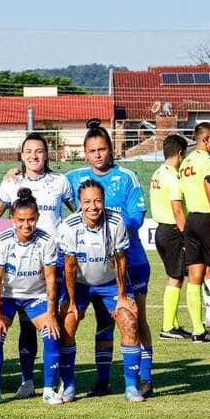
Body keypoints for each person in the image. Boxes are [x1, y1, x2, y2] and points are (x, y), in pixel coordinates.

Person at [66, 120, 153, 397]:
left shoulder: (127, 177)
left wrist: (109, 229)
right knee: (103, 322)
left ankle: (145, 378)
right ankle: (102, 381)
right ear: (85, 152)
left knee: (136, 318)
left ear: (110, 149)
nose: (98, 155)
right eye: (92, 150)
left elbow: (136, 217)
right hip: (89, 266)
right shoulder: (73, 177)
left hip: (129, 260)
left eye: (102, 149)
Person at [0, 133, 74, 399]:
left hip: (54, 261)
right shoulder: (10, 183)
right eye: (28, 151)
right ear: (21, 154)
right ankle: (27, 381)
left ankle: (62, 380)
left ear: (47, 154)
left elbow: (76, 213)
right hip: (20, 265)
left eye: (39, 151)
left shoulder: (60, 182)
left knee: (56, 323)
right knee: (26, 327)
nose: (33, 156)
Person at [57, 180, 144, 403]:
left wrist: (123, 295)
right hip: (80, 284)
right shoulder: (69, 225)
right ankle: (68, 386)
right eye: (87, 202)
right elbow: (69, 265)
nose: (93, 206)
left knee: (129, 321)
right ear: (79, 203)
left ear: (104, 201)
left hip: (110, 283)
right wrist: (72, 302)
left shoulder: (116, 222)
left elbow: (121, 260)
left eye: (97, 201)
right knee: (67, 324)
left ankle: (132, 387)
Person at [0, 188, 62, 406]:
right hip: (7, 297)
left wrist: (50, 314)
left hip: (35, 296)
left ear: (37, 218)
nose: (26, 225)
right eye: (21, 220)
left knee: (51, 333)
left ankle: (48, 390)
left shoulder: (46, 241)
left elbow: (50, 279)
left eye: (31, 220)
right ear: (12, 218)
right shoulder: (2, 241)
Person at [177, 121, 210, 343]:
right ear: (206, 139)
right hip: (208, 219)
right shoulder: (208, 162)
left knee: (194, 277)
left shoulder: (185, 163)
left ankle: (197, 330)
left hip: (192, 220)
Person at [150, 135, 191, 340]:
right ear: (181, 154)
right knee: (176, 277)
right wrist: (187, 236)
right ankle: (168, 326)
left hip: (161, 230)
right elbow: (177, 210)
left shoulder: (158, 173)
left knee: (176, 276)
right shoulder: (173, 177)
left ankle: (172, 323)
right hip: (173, 231)